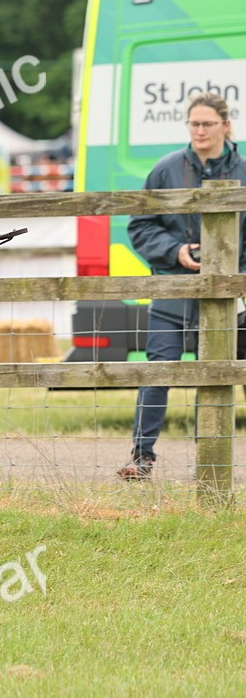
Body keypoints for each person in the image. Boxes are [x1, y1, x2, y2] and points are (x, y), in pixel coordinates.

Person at [120, 92, 246, 480]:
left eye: (208, 123)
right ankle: (141, 458)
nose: (200, 131)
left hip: (232, 297)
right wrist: (175, 251)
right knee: (158, 372)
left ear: (226, 125)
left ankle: (214, 463)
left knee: (231, 374)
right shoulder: (165, 169)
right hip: (173, 294)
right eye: (194, 124)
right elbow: (140, 225)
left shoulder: (243, 170)